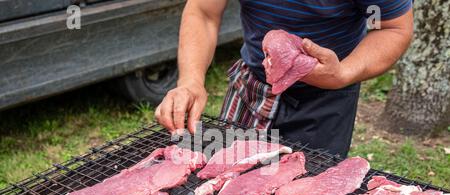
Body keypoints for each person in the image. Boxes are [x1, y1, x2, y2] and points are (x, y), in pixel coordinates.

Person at [155, 0, 413, 158]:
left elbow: (390, 27)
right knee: (227, 180)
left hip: (325, 98)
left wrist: (344, 73)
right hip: (252, 89)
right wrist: (190, 80)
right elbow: (203, 12)